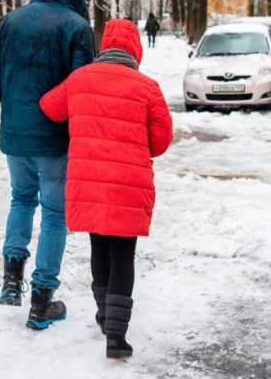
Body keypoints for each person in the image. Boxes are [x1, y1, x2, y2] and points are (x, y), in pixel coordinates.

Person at [39, 19, 173, 358]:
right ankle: (116, 335)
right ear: (136, 49)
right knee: (123, 254)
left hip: (88, 183)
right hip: (129, 185)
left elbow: (49, 106)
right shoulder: (148, 87)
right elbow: (161, 141)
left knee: (98, 247)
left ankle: (103, 315)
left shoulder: (79, 79)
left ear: (104, 45)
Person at [0, 0, 95, 331]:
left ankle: (12, 281)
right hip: (55, 139)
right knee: (55, 214)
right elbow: (82, 90)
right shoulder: (77, 27)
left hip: (14, 137)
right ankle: (42, 301)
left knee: (22, 200)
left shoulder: (11, 22)